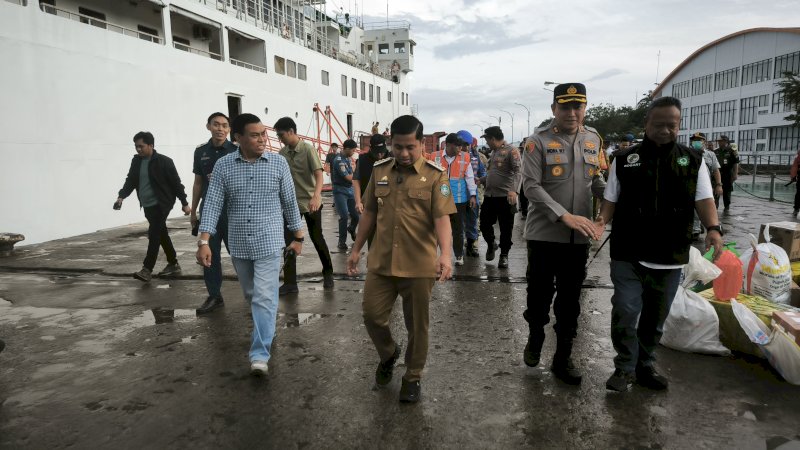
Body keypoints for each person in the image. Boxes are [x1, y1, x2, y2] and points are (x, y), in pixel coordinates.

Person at [596, 96, 723, 392]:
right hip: (628, 249)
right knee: (626, 309)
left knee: (655, 318)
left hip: (671, 252)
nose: (665, 130)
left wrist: (713, 229)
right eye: (659, 124)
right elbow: (610, 198)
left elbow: (703, 199)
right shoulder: (624, 159)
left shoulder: (693, 160)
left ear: (679, 125)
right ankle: (625, 366)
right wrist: (601, 222)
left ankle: (645, 365)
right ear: (646, 124)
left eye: (672, 125)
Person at [346, 115, 455, 403]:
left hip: (419, 265)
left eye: (410, 147)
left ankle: (413, 376)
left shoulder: (435, 175)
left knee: (417, 326)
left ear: (421, 144)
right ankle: (388, 353)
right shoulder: (380, 171)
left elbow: (442, 218)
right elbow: (369, 212)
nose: (404, 154)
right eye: (398, 147)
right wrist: (356, 249)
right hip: (381, 262)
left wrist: (445, 254)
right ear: (390, 144)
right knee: (372, 315)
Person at [197, 113, 304, 376]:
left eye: (263, 134)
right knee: (251, 295)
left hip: (269, 242)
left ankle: (259, 355)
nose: (262, 140)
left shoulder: (278, 164)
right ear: (238, 138)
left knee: (264, 297)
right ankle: (267, 327)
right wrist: (204, 241)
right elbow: (212, 204)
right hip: (240, 244)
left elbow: (290, 203)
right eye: (255, 135)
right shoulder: (223, 166)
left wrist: (299, 238)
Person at [521, 83, 606, 385]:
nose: (572, 112)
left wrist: (608, 203)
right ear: (554, 108)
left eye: (577, 106)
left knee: (570, 302)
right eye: (565, 106)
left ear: (585, 108)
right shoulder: (537, 142)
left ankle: (563, 357)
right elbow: (530, 186)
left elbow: (595, 180)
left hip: (579, 239)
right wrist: (563, 215)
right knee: (539, 297)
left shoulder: (594, 139)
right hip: (544, 236)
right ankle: (535, 337)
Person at [115, 131, 190, 282]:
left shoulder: (164, 161)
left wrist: (184, 203)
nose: (138, 149)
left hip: (162, 203)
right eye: (136, 146)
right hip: (147, 204)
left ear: (151, 145)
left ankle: (147, 269)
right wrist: (121, 196)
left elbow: (176, 183)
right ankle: (173, 263)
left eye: (141, 146)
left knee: (154, 234)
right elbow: (130, 180)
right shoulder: (136, 161)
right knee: (161, 232)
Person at [274, 117, 334, 293]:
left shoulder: (308, 150)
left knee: (317, 238)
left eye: (281, 134)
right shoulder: (282, 154)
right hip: (290, 205)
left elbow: (319, 175)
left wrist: (317, 196)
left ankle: (328, 272)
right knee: (289, 242)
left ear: (291, 131)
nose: (280, 138)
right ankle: (290, 283)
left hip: (310, 203)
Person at [190, 113, 238, 315]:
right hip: (210, 211)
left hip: (235, 211)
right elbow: (199, 182)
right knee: (210, 254)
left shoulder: (237, 150)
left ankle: (253, 293)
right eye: (216, 124)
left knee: (240, 253)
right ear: (208, 126)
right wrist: (193, 212)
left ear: (229, 129)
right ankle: (214, 295)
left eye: (224, 125)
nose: (220, 128)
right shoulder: (201, 152)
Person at [427, 133, 477, 266]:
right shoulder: (434, 156)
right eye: (458, 146)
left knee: (458, 229)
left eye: (461, 146)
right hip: (439, 199)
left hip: (458, 199)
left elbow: (470, 178)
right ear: (448, 145)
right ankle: (432, 256)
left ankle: (458, 255)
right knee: (435, 228)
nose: (460, 149)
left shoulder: (465, 158)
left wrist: (472, 195)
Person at [479, 126, 521, 268]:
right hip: (490, 195)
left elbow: (518, 172)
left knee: (505, 228)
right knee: (484, 223)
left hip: (505, 197)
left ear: (492, 138)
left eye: (486, 139)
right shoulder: (494, 152)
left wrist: (513, 190)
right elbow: (494, 173)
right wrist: (482, 179)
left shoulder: (511, 151)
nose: (486, 143)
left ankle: (504, 255)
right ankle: (491, 243)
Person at [354, 134, 390, 247]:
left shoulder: (393, 158)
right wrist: (358, 201)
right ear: (371, 148)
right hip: (370, 205)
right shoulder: (363, 160)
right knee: (373, 241)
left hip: (389, 205)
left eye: (382, 152)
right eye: (377, 152)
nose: (380, 155)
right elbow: (356, 180)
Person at [689, 132, 723, 239]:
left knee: (709, 207)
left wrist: (718, 185)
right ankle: (695, 229)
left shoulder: (710, 155)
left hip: (707, 186)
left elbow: (716, 170)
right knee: (693, 208)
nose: (696, 142)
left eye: (699, 140)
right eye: (694, 140)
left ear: (704, 141)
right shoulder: (687, 153)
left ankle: (705, 226)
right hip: (692, 185)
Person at [458, 130, 486, 257]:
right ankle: (458, 249)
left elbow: (482, 172)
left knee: (472, 222)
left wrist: (481, 180)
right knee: (458, 224)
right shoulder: (450, 158)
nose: (465, 147)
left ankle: (471, 246)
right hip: (456, 197)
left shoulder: (475, 158)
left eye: (467, 144)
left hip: (472, 196)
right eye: (462, 144)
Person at [332, 139, 360, 249]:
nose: (354, 152)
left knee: (356, 216)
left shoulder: (347, 159)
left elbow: (352, 173)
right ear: (347, 149)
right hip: (340, 191)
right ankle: (341, 241)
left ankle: (352, 228)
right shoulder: (339, 160)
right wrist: (358, 181)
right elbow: (348, 177)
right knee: (343, 216)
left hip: (350, 190)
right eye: (353, 150)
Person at [714, 135, 739, 212]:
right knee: (716, 191)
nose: (719, 142)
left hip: (728, 174)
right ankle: (715, 207)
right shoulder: (716, 151)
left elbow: (736, 163)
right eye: (718, 141)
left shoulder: (731, 151)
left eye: (720, 141)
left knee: (727, 192)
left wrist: (735, 174)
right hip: (717, 174)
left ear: (725, 141)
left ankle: (726, 207)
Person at [791, 148, 800, 217]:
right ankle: (796, 208)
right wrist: (793, 176)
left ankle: (796, 209)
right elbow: (795, 167)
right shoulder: (798, 158)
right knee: (798, 194)